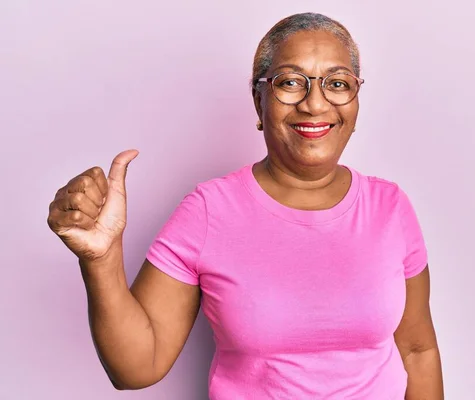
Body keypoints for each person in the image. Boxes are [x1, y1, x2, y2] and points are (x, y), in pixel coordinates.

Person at [47, 12, 444, 399]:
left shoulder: (390, 207)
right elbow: (136, 368)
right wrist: (100, 261)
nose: (315, 104)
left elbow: (417, 351)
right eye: (291, 82)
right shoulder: (209, 211)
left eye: (337, 83)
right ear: (260, 101)